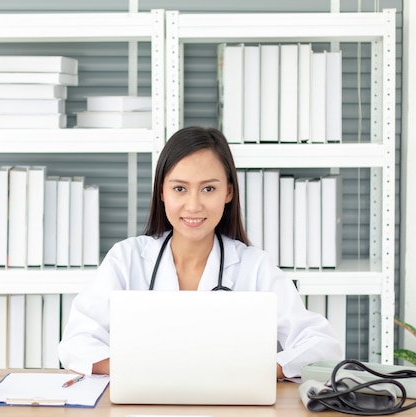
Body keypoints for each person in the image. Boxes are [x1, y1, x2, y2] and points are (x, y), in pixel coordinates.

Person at [58, 126, 343, 379]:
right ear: (161, 192)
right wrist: (145, 369)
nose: (193, 205)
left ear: (229, 192)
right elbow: (76, 342)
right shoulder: (127, 258)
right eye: (180, 188)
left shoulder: (254, 267)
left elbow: (321, 344)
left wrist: (260, 370)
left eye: (208, 188)